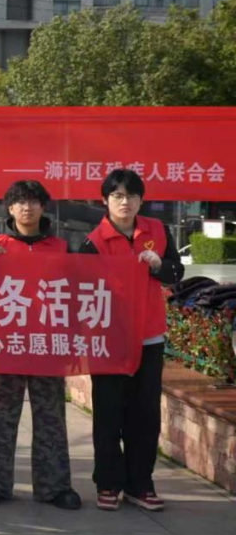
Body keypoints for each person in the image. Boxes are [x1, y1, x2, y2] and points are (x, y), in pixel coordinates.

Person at [80, 169, 184, 512]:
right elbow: (82, 290)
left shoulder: (158, 231)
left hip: (149, 338)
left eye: (131, 196)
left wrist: (158, 265)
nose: (125, 202)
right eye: (117, 196)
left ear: (141, 200)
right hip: (109, 341)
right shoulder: (93, 242)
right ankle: (108, 483)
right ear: (105, 200)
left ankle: (141, 484)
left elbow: (176, 272)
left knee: (145, 415)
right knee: (109, 413)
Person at [0, 181, 81, 510]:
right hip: (7, 345)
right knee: (0, 415)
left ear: (43, 207)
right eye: (20, 202)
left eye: (33, 201)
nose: (27, 207)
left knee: (51, 417)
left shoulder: (61, 248)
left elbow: (76, 295)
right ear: (10, 208)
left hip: (47, 346)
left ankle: (55, 487)